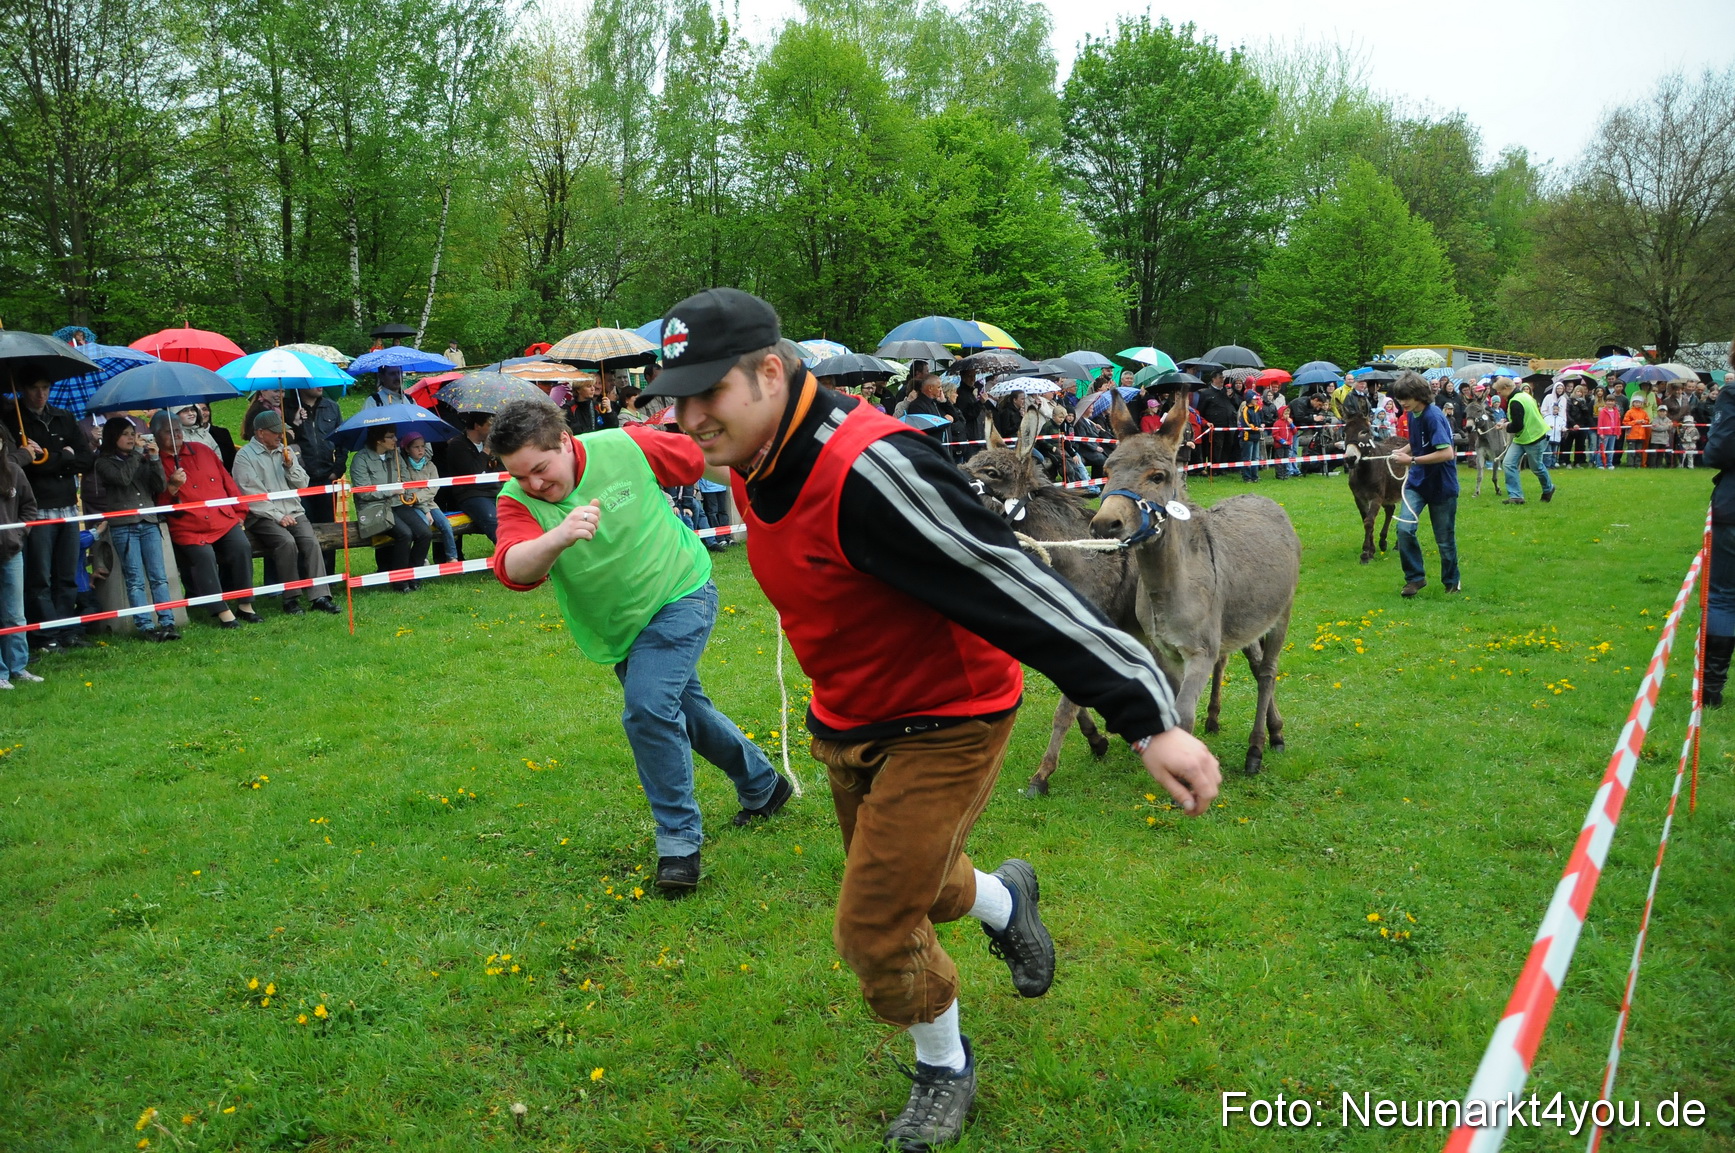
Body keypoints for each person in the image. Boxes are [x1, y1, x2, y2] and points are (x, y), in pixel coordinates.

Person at [660, 287, 1219, 1152]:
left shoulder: (870, 469)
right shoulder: (757, 447)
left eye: (706, 394)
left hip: (946, 719)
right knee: (922, 879)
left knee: (876, 927)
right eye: (677, 398)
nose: (688, 417)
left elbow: (1011, 582)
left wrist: (1150, 717)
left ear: (770, 372)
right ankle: (1008, 902)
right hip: (846, 718)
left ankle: (943, 1066)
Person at [487, 395, 788, 892]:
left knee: (648, 708)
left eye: (540, 469)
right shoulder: (517, 502)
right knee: (682, 710)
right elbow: (513, 569)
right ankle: (762, 786)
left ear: (565, 441)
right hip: (619, 627)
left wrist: (773, 470)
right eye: (521, 476)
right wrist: (557, 536)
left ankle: (678, 844)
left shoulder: (627, 445)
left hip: (680, 591)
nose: (535, 485)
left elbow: (710, 457)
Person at [153, 412, 259, 629]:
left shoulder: (202, 450)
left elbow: (227, 482)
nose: (175, 436)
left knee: (241, 547)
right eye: (168, 432)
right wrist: (172, 487)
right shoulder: (153, 463)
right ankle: (222, 611)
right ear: (155, 434)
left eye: (177, 430)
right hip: (187, 526)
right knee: (204, 556)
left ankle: (246, 604)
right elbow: (158, 503)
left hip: (223, 518)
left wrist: (239, 513)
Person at [232, 411, 339, 615]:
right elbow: (251, 495)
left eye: (280, 433)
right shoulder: (244, 457)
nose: (280, 437)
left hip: (293, 510)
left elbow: (303, 483)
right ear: (260, 433)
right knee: (286, 542)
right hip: (262, 515)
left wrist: (290, 466)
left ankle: (320, 596)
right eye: (274, 433)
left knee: (311, 542)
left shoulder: (286, 450)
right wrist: (278, 516)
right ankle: (291, 598)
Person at [16, 378, 95, 650]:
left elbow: (86, 459)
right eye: (33, 387)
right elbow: (26, 468)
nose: (40, 394)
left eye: (45, 388)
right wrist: (64, 457)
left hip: (68, 506)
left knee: (67, 573)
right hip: (36, 509)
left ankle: (67, 630)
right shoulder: (14, 420)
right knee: (40, 576)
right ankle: (44, 635)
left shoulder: (64, 416)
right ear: (22, 389)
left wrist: (49, 458)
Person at [91, 418, 179, 640]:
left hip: (149, 521)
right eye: (126, 434)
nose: (132, 438)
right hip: (124, 526)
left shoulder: (140, 458)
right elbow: (122, 478)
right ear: (113, 437)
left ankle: (168, 622)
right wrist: (138, 454)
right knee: (135, 579)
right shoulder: (104, 462)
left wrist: (155, 459)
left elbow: (158, 487)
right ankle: (145, 626)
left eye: (133, 433)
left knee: (159, 576)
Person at [1389, 373, 1460, 598]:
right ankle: (1415, 578)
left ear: (1419, 395)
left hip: (1442, 485)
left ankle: (1452, 581)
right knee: (1404, 529)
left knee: (1444, 539)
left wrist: (1410, 460)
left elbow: (1447, 452)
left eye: (1406, 397)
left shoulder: (1433, 416)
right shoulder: (1412, 413)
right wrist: (1405, 450)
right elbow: (1419, 441)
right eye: (1400, 398)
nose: (1402, 403)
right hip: (1417, 483)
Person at [350, 426, 431, 591]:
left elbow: (407, 481)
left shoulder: (396, 455)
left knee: (425, 533)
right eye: (391, 437)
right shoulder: (360, 459)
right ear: (379, 440)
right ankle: (400, 582)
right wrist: (390, 490)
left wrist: (416, 501)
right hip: (374, 508)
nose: (396, 440)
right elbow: (363, 493)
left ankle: (413, 575)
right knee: (405, 534)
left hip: (397, 504)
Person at [1699, 339, 1735, 706]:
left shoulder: (1733, 393)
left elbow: (1719, 450)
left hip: (1734, 506)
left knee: (1724, 597)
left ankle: (1711, 690)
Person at [0, 428, 42, 686]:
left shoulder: (14, 472)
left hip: (11, 552)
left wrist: (18, 532)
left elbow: (30, 507)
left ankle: (18, 667)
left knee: (15, 615)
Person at [433, 413, 501, 545]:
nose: (493, 430)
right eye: (489, 425)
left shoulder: (493, 444)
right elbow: (471, 473)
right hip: (471, 495)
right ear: (477, 426)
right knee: (493, 521)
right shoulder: (458, 445)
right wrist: (486, 451)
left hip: (495, 490)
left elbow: (503, 468)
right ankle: (512, 553)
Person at [1494, 379, 1555, 505]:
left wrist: (1505, 425)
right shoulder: (1524, 396)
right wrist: (1508, 421)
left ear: (1506, 388)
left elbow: (1517, 426)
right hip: (1522, 438)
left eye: (1500, 392)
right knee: (1508, 463)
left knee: (1536, 468)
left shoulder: (1516, 401)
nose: (1500, 395)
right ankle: (1516, 496)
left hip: (1534, 438)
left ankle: (1549, 488)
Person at [400, 433, 456, 562]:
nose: (420, 450)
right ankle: (422, 558)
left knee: (445, 525)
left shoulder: (430, 466)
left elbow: (434, 488)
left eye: (422, 446)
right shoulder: (403, 467)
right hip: (413, 506)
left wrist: (421, 501)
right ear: (407, 449)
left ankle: (452, 557)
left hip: (430, 504)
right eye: (416, 447)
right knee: (424, 527)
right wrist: (425, 510)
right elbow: (409, 492)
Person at [1622, 399, 1650, 468]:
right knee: (1631, 451)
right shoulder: (1629, 412)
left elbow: (1647, 420)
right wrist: (1635, 422)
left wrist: (1644, 422)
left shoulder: (1644, 412)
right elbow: (1625, 422)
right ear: (1633, 403)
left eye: (1639, 402)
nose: (1638, 404)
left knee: (1639, 451)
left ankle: (1637, 464)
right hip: (1631, 435)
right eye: (1636, 402)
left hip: (1641, 435)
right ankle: (1630, 464)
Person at [1597, 396, 1622, 469]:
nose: (1610, 403)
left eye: (1612, 401)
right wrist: (1600, 432)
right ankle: (1600, 464)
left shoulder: (1616, 411)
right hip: (1604, 433)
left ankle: (1609, 463)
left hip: (1613, 433)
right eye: (1608, 401)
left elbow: (1618, 423)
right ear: (1605, 402)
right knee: (1602, 449)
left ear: (1614, 402)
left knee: (1611, 449)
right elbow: (1600, 422)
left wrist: (1618, 433)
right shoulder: (1602, 411)